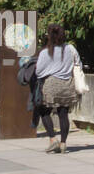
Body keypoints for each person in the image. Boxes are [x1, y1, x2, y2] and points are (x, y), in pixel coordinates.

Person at [34, 24, 81, 154]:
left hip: (51, 85)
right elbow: (78, 64)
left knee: (43, 111)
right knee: (63, 113)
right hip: (67, 84)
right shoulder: (71, 49)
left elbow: (39, 71)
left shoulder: (46, 51)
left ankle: (52, 139)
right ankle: (63, 143)